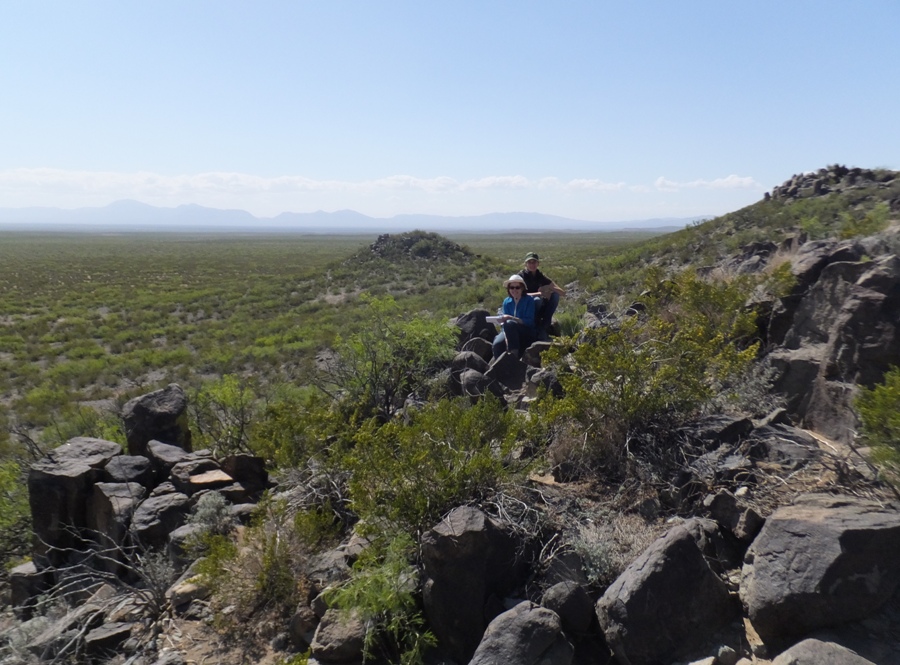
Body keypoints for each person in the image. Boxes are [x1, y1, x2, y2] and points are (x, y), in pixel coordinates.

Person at [519, 252, 566, 340]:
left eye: (534, 262)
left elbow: (562, 293)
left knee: (555, 295)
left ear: (538, 263)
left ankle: (545, 326)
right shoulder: (521, 277)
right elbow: (519, 294)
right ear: (526, 264)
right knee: (537, 300)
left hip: (540, 307)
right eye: (530, 262)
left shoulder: (540, 276)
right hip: (525, 308)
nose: (532, 265)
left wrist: (548, 287)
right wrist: (540, 293)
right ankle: (534, 325)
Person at [492, 274, 537, 360]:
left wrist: (511, 318)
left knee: (509, 323)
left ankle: (514, 356)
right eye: (511, 287)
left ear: (522, 288)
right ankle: (499, 367)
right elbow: (504, 323)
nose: (514, 290)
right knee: (497, 344)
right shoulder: (507, 301)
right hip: (509, 330)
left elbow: (529, 322)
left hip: (526, 331)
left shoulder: (529, 300)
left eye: (517, 287)